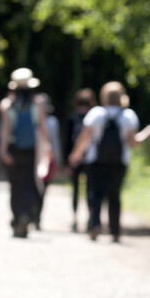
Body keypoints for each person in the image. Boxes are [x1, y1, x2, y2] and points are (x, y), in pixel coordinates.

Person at [69, 81, 150, 242]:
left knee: (95, 193)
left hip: (95, 161)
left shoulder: (96, 113)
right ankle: (115, 231)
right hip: (119, 162)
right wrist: (147, 132)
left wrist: (76, 154)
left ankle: (95, 224)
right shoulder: (128, 116)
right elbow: (133, 142)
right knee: (114, 195)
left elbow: (84, 138)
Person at [0, 68, 52, 238]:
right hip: (31, 149)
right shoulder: (38, 103)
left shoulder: (7, 104)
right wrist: (48, 147)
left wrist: (3, 150)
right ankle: (26, 216)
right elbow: (42, 127)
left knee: (15, 186)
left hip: (14, 149)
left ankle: (17, 218)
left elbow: (6, 130)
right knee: (30, 184)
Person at [64, 88, 97, 232]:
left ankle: (77, 219)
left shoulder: (73, 117)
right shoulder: (94, 117)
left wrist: (67, 161)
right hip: (89, 159)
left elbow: (67, 141)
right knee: (90, 190)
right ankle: (88, 219)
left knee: (78, 191)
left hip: (77, 159)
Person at [35, 93, 62, 230]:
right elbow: (55, 143)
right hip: (46, 159)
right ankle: (37, 218)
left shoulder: (32, 120)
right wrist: (57, 160)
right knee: (42, 191)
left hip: (38, 158)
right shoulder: (52, 122)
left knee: (35, 189)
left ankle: (34, 217)